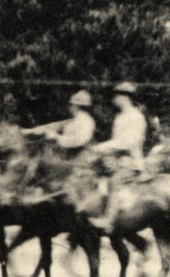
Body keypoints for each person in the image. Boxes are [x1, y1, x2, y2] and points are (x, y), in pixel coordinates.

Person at [88, 82, 147, 232]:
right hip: (117, 160)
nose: (114, 99)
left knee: (115, 181)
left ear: (126, 97)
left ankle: (109, 220)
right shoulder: (120, 116)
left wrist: (101, 147)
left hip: (131, 162)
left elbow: (128, 143)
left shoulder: (136, 117)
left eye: (117, 95)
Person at [23, 90, 96, 158]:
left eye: (70, 105)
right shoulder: (77, 120)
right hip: (69, 154)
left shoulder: (86, 122)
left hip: (77, 158)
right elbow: (53, 126)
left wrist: (57, 137)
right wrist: (29, 131)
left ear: (75, 106)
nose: (69, 108)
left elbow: (79, 140)